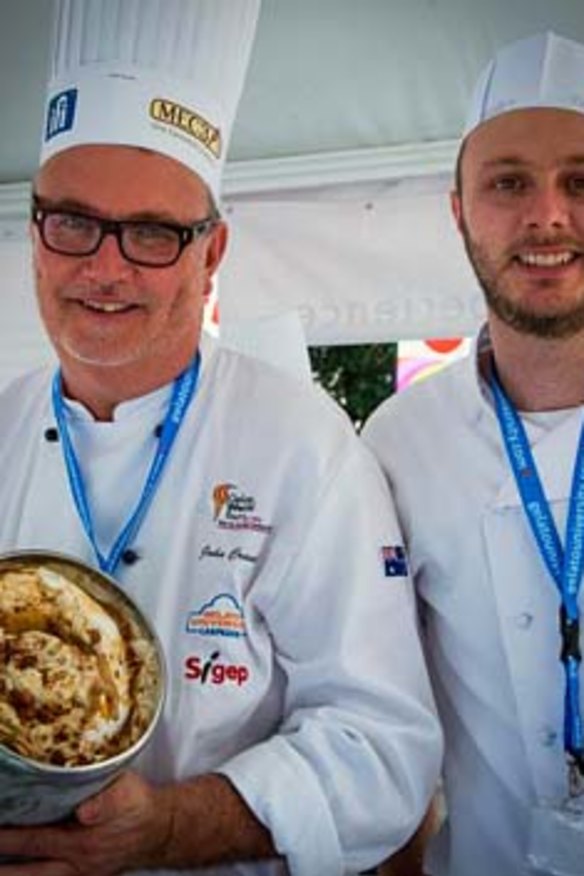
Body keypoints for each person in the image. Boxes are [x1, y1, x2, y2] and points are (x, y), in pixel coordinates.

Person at [0, 2, 442, 875]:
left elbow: (383, 747)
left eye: (155, 234)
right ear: (36, 233)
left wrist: (166, 827)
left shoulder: (305, 449)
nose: (106, 267)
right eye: (74, 222)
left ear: (213, 253)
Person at [363, 30, 584, 876]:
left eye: (579, 180)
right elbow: (385, 715)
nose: (548, 215)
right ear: (458, 210)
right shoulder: (395, 442)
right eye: (508, 183)